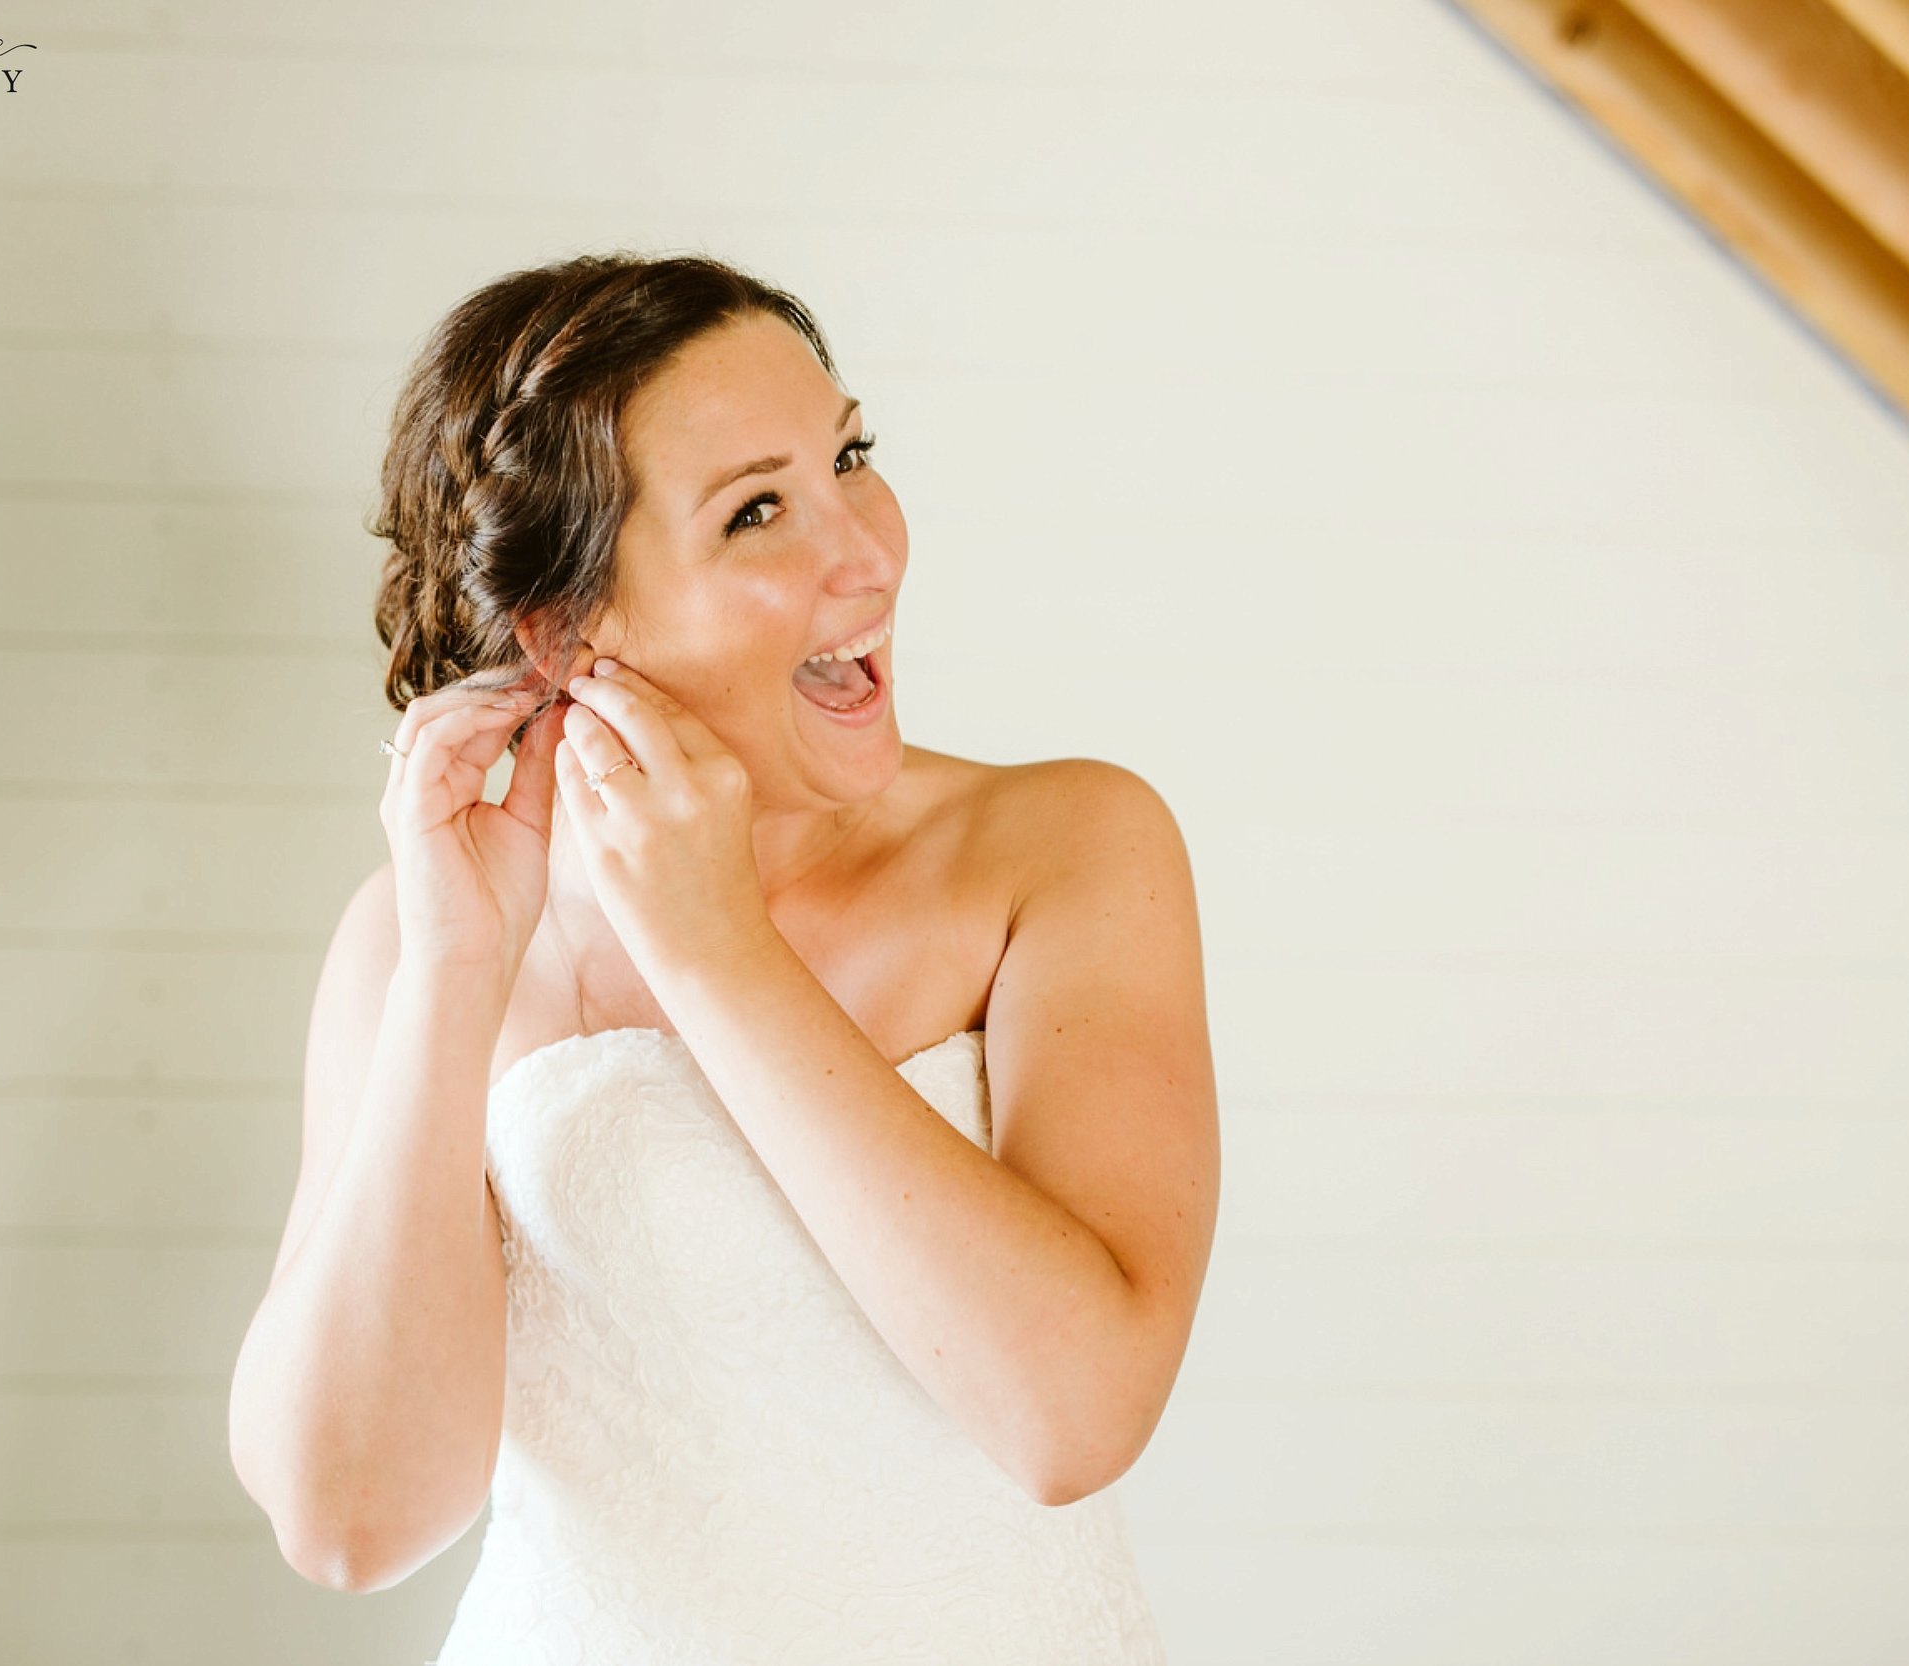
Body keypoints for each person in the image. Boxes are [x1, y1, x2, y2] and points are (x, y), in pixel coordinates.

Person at [227, 251, 1220, 1663]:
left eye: (850, 456)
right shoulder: (417, 934)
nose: (871, 550)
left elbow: (1071, 1418)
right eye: (758, 510)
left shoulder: (1068, 847)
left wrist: (717, 952)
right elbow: (351, 1522)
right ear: (571, 630)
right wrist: (454, 969)